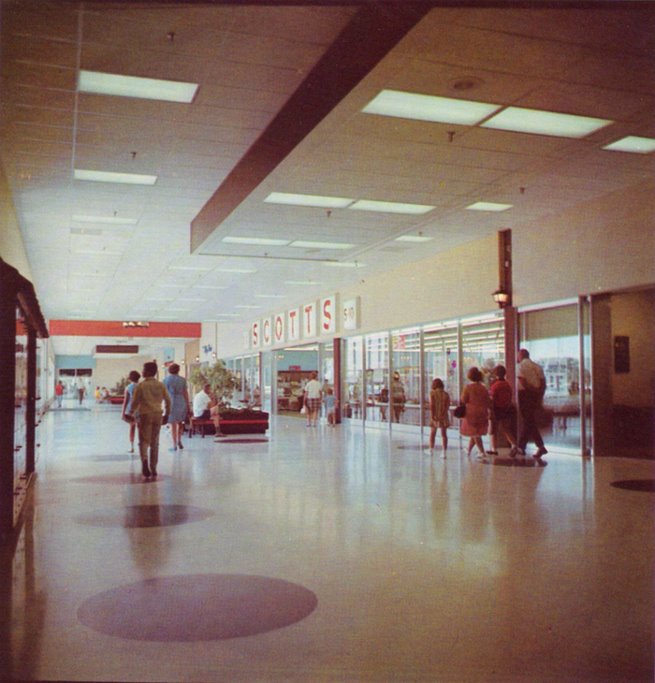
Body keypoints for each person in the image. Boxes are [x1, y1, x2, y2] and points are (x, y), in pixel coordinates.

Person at [126, 361, 170, 478]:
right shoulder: (161, 385)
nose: (142, 371)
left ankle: (144, 462)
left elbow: (135, 402)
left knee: (143, 441)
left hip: (145, 415)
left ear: (149, 371)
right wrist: (167, 414)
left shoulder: (141, 386)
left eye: (144, 369)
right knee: (155, 442)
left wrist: (130, 413)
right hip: (158, 414)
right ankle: (154, 467)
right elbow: (168, 400)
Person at [517, 348, 548, 459]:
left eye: (518, 356)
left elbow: (522, 382)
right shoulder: (537, 367)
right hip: (536, 396)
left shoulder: (521, 366)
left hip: (525, 395)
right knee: (529, 420)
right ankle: (523, 446)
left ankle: (535, 446)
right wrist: (539, 395)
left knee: (528, 420)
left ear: (521, 356)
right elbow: (543, 383)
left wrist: (532, 390)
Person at [489, 365, 519, 456]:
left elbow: (492, 398)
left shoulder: (495, 386)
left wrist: (490, 410)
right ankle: (514, 445)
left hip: (496, 409)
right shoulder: (507, 385)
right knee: (506, 429)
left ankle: (493, 449)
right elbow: (510, 397)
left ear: (495, 374)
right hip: (506, 409)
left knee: (493, 430)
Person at [460, 366, 490, 458]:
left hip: (471, 412)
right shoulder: (483, 388)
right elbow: (487, 400)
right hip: (482, 411)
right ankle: (469, 450)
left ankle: (482, 452)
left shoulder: (468, 387)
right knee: (476, 431)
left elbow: (464, 400)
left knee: (474, 432)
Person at [163, 363, 189, 451]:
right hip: (181, 401)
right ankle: (179, 440)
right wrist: (188, 405)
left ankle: (174, 445)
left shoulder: (166, 380)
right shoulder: (183, 380)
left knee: (172, 424)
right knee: (180, 422)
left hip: (171, 402)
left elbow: (164, 394)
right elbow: (185, 393)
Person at [428, 378, 450, 455]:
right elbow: (447, 406)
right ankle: (444, 452)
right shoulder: (446, 394)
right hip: (444, 416)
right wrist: (443, 414)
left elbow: (432, 405)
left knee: (432, 433)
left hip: (435, 415)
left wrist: (432, 415)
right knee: (444, 434)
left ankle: (431, 450)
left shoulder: (432, 393)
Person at [121, 370, 141, 453]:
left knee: (132, 428)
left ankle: (132, 447)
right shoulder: (142, 386)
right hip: (141, 409)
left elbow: (126, 401)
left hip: (131, 410)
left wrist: (123, 412)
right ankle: (141, 446)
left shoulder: (129, 387)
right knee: (141, 429)